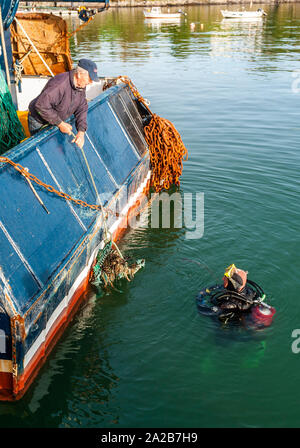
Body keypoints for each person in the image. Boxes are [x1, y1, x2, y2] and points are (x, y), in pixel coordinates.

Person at [28, 59, 99, 148]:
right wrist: (60, 123)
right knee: (43, 148)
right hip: (39, 121)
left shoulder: (81, 85)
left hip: (56, 119)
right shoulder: (59, 84)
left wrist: (81, 131)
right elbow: (41, 105)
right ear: (79, 74)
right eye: (90, 78)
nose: (91, 82)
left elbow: (82, 107)